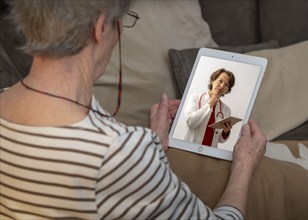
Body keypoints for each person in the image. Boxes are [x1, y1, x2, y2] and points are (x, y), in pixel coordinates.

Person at [0, 1, 266, 219]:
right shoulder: (118, 153)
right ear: (101, 27)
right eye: (121, 23)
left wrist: (153, 147)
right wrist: (244, 164)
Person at [184, 68, 236, 147]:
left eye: (226, 85)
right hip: (190, 148)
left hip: (210, 152)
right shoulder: (195, 97)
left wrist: (226, 132)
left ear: (227, 90)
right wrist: (210, 104)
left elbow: (220, 140)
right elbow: (190, 122)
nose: (222, 86)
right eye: (220, 81)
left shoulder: (226, 110)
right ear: (212, 80)